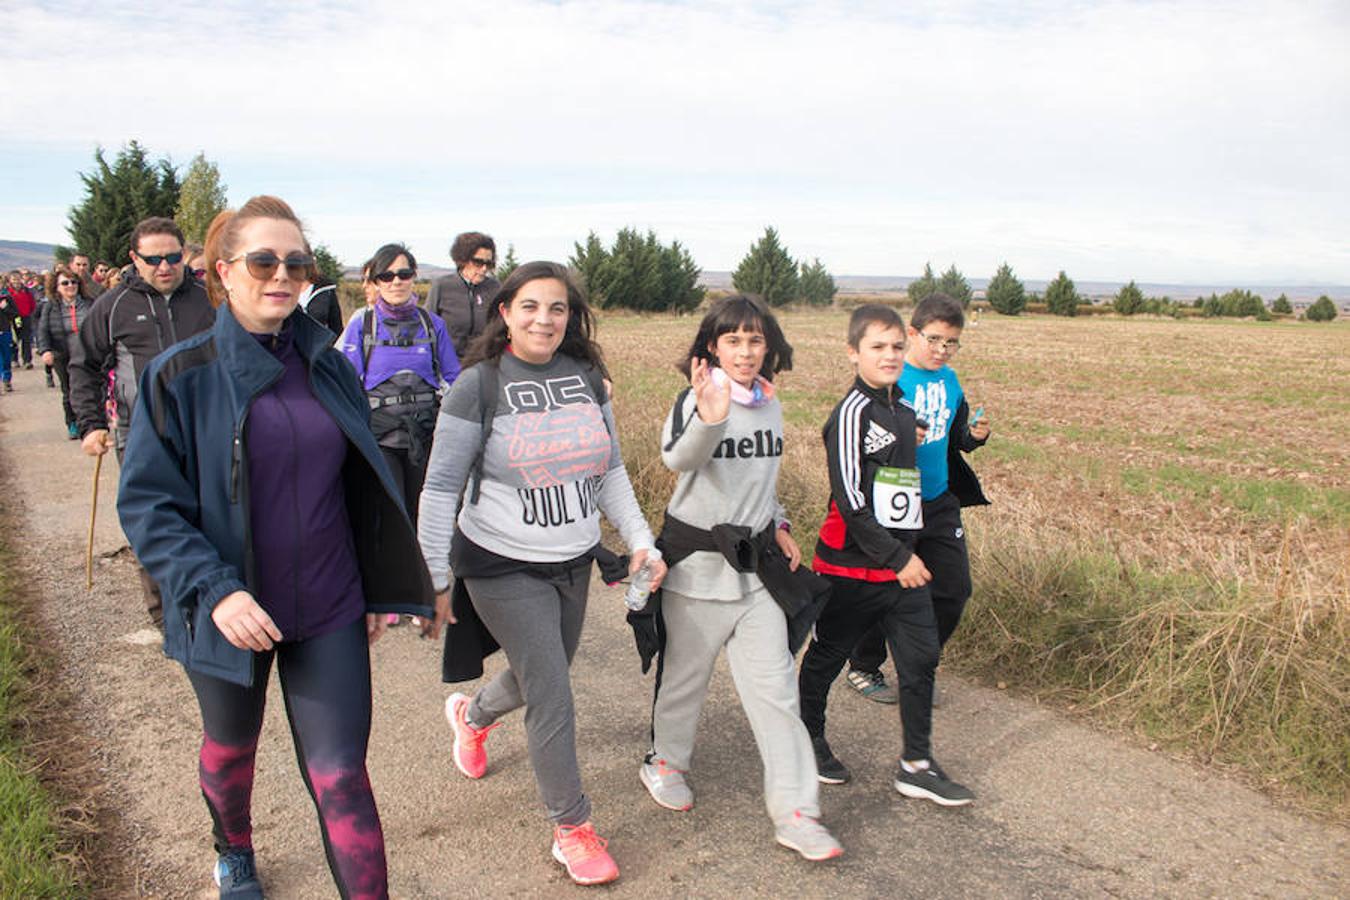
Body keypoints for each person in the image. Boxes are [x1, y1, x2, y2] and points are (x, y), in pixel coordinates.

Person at [117, 195, 434, 899]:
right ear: (222, 271)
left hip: (327, 603)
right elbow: (147, 505)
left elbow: (359, 482)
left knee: (342, 776)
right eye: (263, 260)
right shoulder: (179, 376)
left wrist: (376, 585)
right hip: (229, 609)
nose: (281, 275)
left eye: (296, 262)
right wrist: (215, 588)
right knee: (233, 750)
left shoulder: (329, 366)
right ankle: (232, 847)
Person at [418, 261, 664, 886]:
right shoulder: (479, 385)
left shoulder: (586, 378)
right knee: (552, 691)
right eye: (530, 306)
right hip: (500, 564)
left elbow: (608, 471)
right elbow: (442, 484)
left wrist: (638, 540)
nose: (544, 319)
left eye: (557, 308)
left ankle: (472, 716)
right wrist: (434, 572)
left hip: (572, 562)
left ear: (570, 318)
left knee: (536, 677)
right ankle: (572, 828)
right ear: (505, 312)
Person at [640, 294, 842, 861]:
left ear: (768, 345)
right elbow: (677, 460)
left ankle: (798, 812)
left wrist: (778, 522)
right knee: (684, 681)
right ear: (713, 346)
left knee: (776, 693)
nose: (746, 351)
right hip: (696, 570)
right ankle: (664, 762)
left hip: (756, 577)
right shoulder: (696, 399)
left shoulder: (771, 404)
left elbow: (762, 481)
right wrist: (711, 415)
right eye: (733, 340)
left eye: (756, 340)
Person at [797, 304, 976, 807]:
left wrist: (907, 551)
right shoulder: (850, 412)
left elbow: (901, 481)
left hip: (902, 561)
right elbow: (852, 501)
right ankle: (806, 738)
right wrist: (898, 559)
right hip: (851, 564)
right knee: (827, 657)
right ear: (854, 353)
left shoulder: (901, 409)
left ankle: (916, 765)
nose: (891, 355)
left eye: (897, 346)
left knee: (921, 659)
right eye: (878, 347)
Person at [845, 294, 991, 709]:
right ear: (912, 334)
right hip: (894, 498)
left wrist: (974, 437)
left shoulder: (951, 381)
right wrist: (900, 440)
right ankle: (864, 665)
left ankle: (916, 662)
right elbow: (861, 444)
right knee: (887, 588)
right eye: (935, 340)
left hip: (940, 499)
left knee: (954, 590)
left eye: (951, 343)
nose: (942, 350)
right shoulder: (891, 379)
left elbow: (956, 436)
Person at [68, 216, 215, 627]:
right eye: (154, 259)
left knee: (211, 515)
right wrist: (91, 423)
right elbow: (84, 366)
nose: (164, 267)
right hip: (141, 432)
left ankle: (211, 600)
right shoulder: (113, 305)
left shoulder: (208, 300)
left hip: (206, 429)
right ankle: (166, 617)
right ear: (134, 258)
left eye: (172, 257)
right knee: (154, 521)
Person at [337, 242, 460, 522]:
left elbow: (455, 379)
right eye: (387, 276)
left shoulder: (433, 326)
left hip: (424, 436)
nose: (396, 282)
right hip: (380, 438)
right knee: (392, 516)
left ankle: (422, 566)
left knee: (424, 516)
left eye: (404, 274)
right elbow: (344, 382)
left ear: (414, 276)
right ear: (375, 282)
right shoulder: (362, 325)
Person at [36, 265, 95, 438]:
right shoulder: (51, 307)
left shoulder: (89, 303)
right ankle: (73, 423)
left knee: (90, 388)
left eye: (73, 282)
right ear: (57, 287)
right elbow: (43, 330)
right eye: (65, 283)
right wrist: (45, 350)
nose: (70, 286)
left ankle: (90, 423)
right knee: (69, 390)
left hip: (88, 353)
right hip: (63, 354)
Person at [426, 231, 500, 358]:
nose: (483, 269)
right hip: (447, 363)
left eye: (488, 263)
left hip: (483, 362)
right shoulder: (442, 286)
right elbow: (427, 326)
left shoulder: (495, 288)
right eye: (478, 262)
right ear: (462, 260)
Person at [6, 270, 36, 369]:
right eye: (14, 279)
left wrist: (30, 312)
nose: (16, 281)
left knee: (26, 338)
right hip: (15, 318)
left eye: (18, 279)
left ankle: (27, 360)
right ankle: (14, 359)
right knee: (15, 339)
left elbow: (32, 303)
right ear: (10, 280)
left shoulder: (26, 290)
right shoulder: (7, 292)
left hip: (26, 317)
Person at [0, 288, 16, 392]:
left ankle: (7, 380)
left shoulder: (7, 299)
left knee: (6, 358)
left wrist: (5, 308)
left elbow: (15, 314)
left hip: (5, 331)